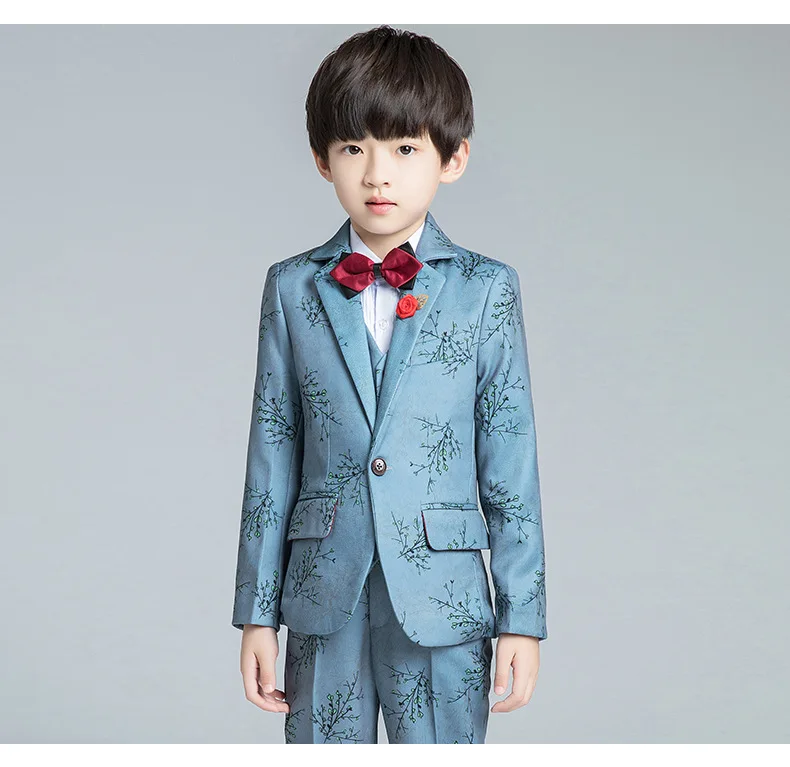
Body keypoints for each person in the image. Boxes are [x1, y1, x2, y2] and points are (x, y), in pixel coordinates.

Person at [231, 24, 547, 744]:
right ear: (322, 159)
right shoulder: (291, 288)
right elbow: (271, 456)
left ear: (452, 158)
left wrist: (522, 617)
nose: (377, 174)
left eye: (405, 149)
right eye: (353, 148)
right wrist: (256, 612)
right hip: (321, 596)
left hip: (443, 598)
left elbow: (511, 461)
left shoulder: (485, 290)